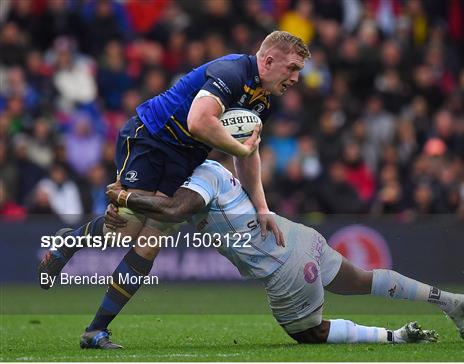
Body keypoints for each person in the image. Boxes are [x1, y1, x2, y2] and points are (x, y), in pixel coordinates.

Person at [39, 31, 310, 347]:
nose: (296, 77)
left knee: (150, 240)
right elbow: (198, 121)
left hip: (185, 156)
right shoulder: (231, 72)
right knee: (126, 230)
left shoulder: (261, 100)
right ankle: (68, 242)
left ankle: (95, 331)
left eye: (299, 71)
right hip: (150, 137)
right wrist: (239, 150)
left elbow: (248, 152)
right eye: (292, 68)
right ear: (268, 60)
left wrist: (262, 207)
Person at [101, 159, 464, 349]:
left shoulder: (196, 182)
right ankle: (447, 300)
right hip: (299, 238)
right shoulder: (210, 170)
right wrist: (124, 212)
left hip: (284, 268)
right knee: (361, 280)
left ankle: (395, 338)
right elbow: (155, 218)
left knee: (310, 335)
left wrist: (119, 195)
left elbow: (170, 212)